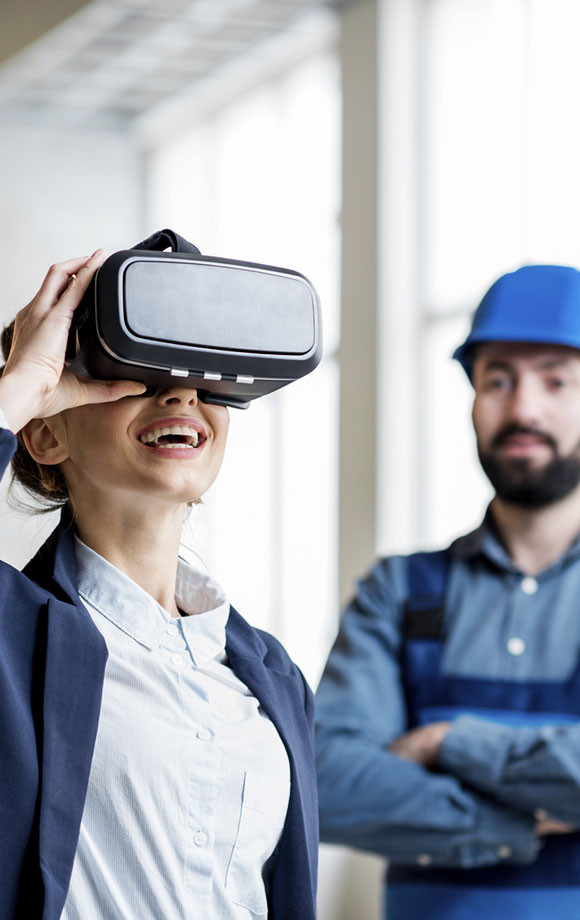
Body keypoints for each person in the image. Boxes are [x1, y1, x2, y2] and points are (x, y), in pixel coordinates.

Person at [0, 249, 318, 920]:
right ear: (45, 434)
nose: (181, 394)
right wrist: (20, 382)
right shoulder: (11, 638)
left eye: (205, 380)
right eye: (134, 376)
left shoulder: (273, 676)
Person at [315, 264, 580, 920]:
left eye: (556, 380)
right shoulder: (398, 592)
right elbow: (325, 783)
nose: (523, 408)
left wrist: (448, 743)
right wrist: (514, 826)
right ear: (472, 399)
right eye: (498, 379)